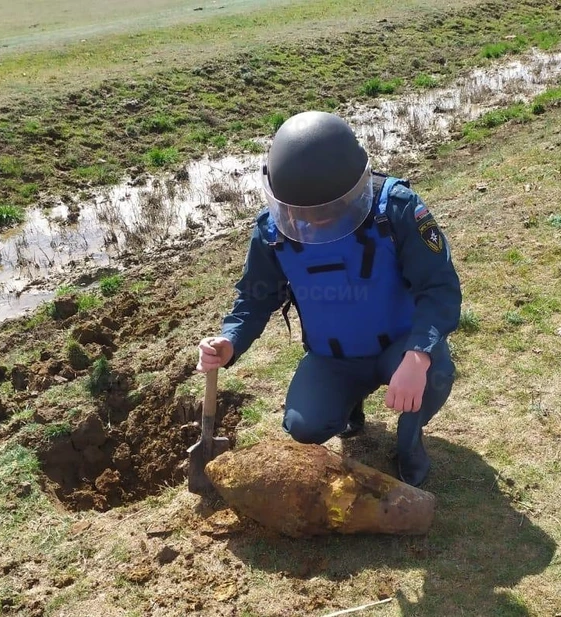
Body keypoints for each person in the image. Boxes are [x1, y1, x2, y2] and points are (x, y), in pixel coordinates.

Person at [196, 111, 461, 486]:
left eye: (327, 211)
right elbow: (255, 298)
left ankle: (409, 443)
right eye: (302, 214)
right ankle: (348, 405)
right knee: (303, 426)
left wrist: (418, 356)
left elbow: (440, 289)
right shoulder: (272, 231)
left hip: (399, 347)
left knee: (435, 375)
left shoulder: (396, 209)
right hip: (334, 356)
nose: (315, 222)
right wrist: (230, 340)